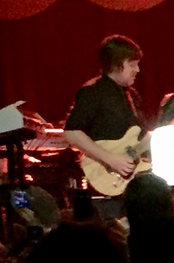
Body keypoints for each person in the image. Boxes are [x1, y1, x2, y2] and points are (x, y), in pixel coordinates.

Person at [63, 36, 147, 183]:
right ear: (116, 64)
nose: (137, 70)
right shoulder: (93, 92)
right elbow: (72, 132)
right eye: (132, 64)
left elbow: (141, 136)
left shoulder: (132, 95)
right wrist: (110, 159)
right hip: (105, 179)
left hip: (133, 179)